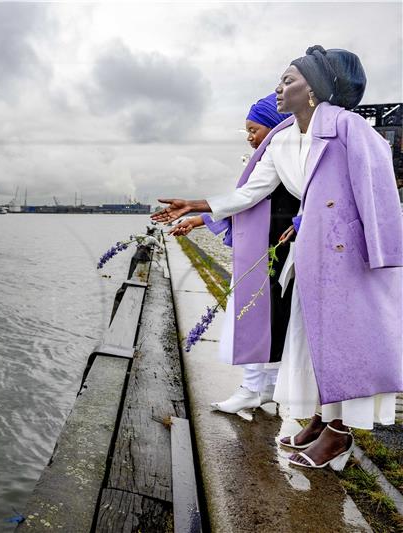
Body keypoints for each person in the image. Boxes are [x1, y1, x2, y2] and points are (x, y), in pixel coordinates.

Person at [152, 46, 403, 470]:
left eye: (288, 79)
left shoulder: (351, 129)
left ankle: (341, 433)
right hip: (310, 253)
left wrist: (384, 258)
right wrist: (197, 206)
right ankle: (324, 418)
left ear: (314, 90)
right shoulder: (283, 138)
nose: (279, 87)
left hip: (349, 256)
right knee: (309, 337)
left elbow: (377, 194)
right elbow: (252, 191)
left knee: (345, 341)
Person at [171, 94, 297, 414]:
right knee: (269, 317)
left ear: (273, 127)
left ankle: (254, 388)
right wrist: (199, 219)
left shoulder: (282, 156)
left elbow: (247, 197)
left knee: (257, 316)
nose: (250, 137)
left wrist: (198, 211)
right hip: (270, 246)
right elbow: (245, 200)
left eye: (254, 129)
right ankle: (264, 387)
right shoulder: (280, 156)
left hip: (270, 247)